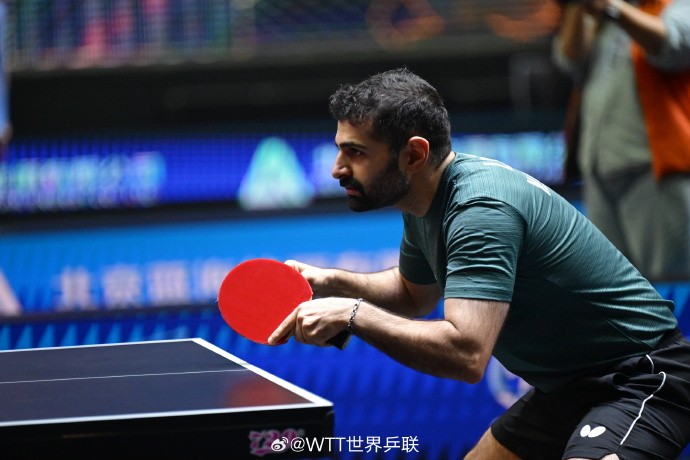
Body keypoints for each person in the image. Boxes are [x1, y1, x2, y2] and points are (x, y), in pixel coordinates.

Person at [267, 68, 690, 459]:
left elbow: (466, 353)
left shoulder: (479, 211)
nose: (337, 169)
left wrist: (352, 314)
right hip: (566, 386)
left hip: (641, 377)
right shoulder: (424, 197)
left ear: (413, 155)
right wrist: (330, 281)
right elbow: (413, 294)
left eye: (355, 152)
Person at [553, 0, 690, 281]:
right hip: (599, 171)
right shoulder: (602, 22)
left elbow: (673, 43)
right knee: (613, 285)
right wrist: (578, 6)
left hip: (654, 171)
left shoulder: (670, 6)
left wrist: (611, 7)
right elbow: (570, 59)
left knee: (670, 282)